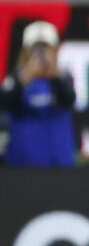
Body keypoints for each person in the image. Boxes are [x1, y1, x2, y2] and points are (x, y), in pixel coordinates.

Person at [0, 21, 76, 167]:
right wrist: (26, 75)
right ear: (26, 52)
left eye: (46, 48)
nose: (41, 54)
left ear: (55, 51)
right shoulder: (14, 80)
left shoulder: (63, 79)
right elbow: (3, 102)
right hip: (21, 169)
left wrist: (53, 74)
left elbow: (69, 99)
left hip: (60, 168)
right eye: (36, 48)